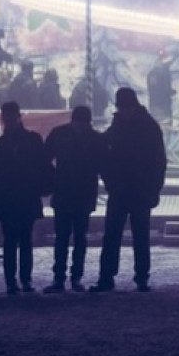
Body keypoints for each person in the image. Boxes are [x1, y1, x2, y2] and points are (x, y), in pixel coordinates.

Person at [90, 88, 166, 293]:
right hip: (134, 189)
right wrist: (154, 189)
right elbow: (158, 162)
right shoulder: (148, 126)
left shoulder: (121, 126)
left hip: (125, 188)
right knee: (136, 234)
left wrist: (109, 180)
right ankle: (139, 276)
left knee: (116, 234)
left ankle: (109, 276)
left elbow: (106, 153)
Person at [43, 105, 106, 292]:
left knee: (64, 237)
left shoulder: (60, 134)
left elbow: (45, 158)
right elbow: (103, 165)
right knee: (78, 237)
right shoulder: (95, 138)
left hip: (65, 191)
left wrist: (53, 178)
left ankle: (60, 278)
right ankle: (73, 277)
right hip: (82, 192)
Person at [0, 101, 48, 294]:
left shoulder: (0, 144)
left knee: (13, 241)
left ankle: (14, 281)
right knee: (23, 240)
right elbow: (42, 166)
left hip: (11, 196)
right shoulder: (32, 140)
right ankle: (23, 280)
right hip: (25, 195)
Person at [146, 51, 175, 122]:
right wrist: (170, 92)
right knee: (165, 126)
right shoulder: (164, 71)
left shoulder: (152, 73)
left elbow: (153, 88)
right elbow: (164, 88)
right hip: (163, 105)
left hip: (154, 104)